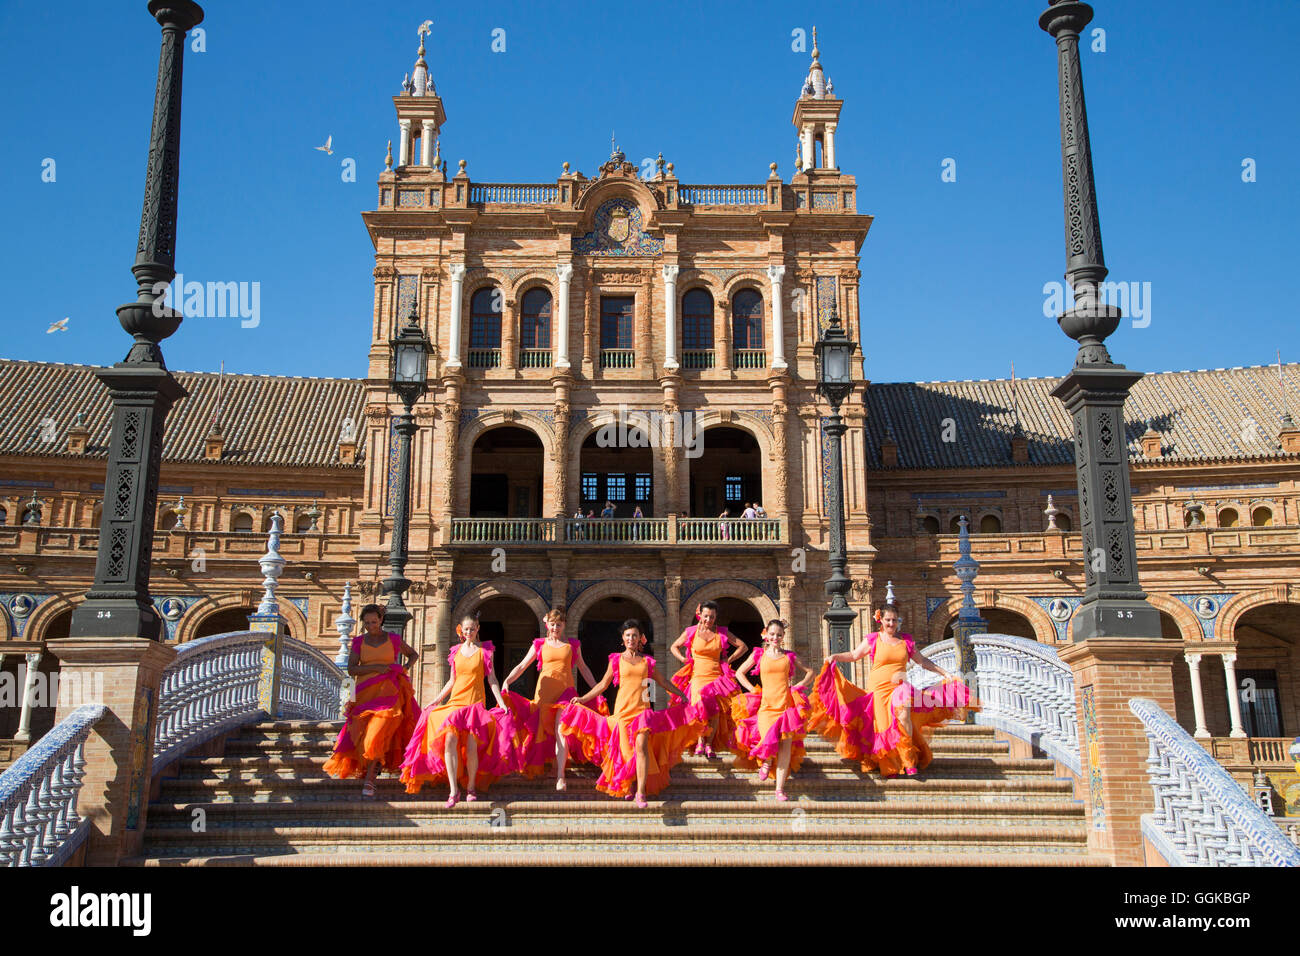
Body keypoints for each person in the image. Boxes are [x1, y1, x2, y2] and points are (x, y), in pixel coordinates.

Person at [808, 603, 975, 778]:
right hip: (878, 689)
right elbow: (855, 655)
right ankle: (890, 763)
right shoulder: (873, 639)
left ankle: (908, 760)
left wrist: (944, 672)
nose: (891, 624)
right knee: (883, 726)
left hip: (899, 686)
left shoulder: (906, 641)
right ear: (881, 620)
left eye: (894, 620)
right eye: (888, 620)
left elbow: (923, 661)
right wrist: (835, 656)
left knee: (903, 714)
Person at [558, 619, 696, 807]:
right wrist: (582, 699)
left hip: (642, 712)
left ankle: (640, 792)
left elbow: (662, 682)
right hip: (622, 714)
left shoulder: (647, 661)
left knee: (641, 747)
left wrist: (681, 694)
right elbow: (603, 684)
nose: (631, 638)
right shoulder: (616, 659)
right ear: (623, 638)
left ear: (640, 639)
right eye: (628, 635)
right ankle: (630, 785)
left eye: (635, 635)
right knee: (627, 752)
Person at [400, 612, 515, 806]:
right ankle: (454, 790)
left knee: (471, 749)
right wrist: (436, 700)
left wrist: (501, 702)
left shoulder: (485, 651)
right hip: (455, 703)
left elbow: (492, 679)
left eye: (472, 629)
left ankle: (470, 787)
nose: (468, 632)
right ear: (461, 630)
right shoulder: (455, 651)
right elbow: (452, 681)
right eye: (466, 629)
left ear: (478, 629)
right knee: (449, 742)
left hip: (474, 704)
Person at [323, 603, 420, 798]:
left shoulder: (393, 639)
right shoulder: (359, 642)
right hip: (365, 695)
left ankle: (369, 780)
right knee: (361, 736)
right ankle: (371, 770)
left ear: (381, 620)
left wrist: (405, 668)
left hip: (390, 695)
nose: (370, 626)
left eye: (374, 622)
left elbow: (413, 654)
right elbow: (352, 669)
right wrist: (376, 667)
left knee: (376, 734)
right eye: (367, 623)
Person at [500, 606, 600, 789]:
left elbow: (584, 669)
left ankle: (561, 775)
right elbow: (522, 665)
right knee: (543, 732)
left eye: (559, 624)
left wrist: (596, 689)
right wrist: (507, 680)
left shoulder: (572, 645)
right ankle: (553, 767)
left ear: (564, 625)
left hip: (566, 693)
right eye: (553, 624)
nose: (555, 628)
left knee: (561, 729)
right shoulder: (539, 644)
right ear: (547, 625)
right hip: (545, 693)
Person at [730, 619, 813, 801]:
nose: (775, 637)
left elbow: (810, 671)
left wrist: (799, 685)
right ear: (766, 634)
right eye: (772, 634)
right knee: (768, 739)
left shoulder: (789, 656)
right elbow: (739, 673)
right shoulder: (759, 654)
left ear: (783, 637)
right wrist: (752, 689)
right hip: (766, 707)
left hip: (786, 707)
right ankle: (766, 761)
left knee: (784, 749)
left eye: (779, 635)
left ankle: (780, 789)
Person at [670, 600, 747, 757]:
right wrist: (683, 660)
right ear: (700, 615)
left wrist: (728, 659)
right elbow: (674, 646)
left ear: (715, 616)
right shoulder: (691, 631)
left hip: (716, 676)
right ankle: (700, 742)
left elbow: (743, 647)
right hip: (698, 675)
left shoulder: (722, 632)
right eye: (706, 616)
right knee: (699, 708)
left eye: (712, 617)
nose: (708, 620)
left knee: (715, 712)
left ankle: (709, 744)